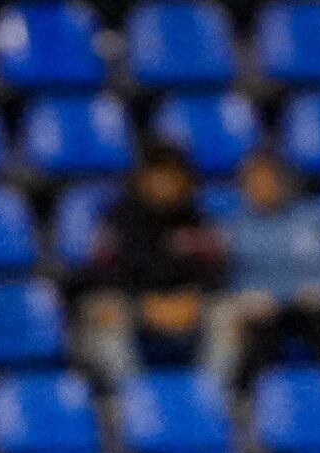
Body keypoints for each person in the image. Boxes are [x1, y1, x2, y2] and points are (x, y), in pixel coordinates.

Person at [76, 140, 226, 380]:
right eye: (159, 174)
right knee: (104, 310)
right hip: (133, 305)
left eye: (173, 175)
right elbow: (101, 274)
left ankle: (211, 392)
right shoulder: (118, 219)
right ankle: (130, 393)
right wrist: (146, 304)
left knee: (228, 314)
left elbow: (215, 271)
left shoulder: (197, 220)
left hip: (186, 307)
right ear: (142, 178)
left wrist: (192, 298)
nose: (166, 183)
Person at [205, 148, 320, 384]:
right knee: (254, 333)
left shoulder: (314, 218)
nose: (262, 187)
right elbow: (224, 273)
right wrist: (243, 295)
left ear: (283, 182)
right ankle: (254, 398)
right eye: (254, 182)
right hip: (261, 305)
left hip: (310, 303)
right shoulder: (231, 227)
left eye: (268, 180)